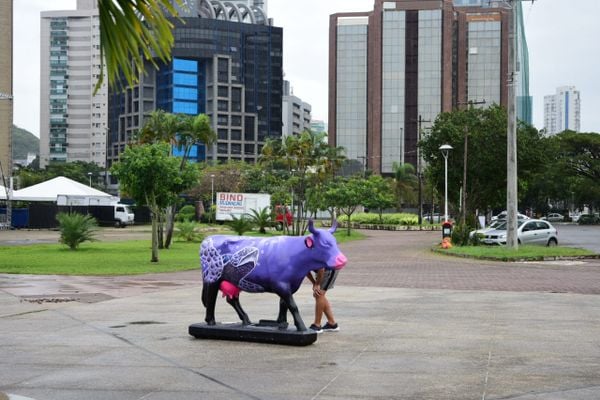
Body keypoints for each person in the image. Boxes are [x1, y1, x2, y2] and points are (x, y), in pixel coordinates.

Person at [306, 268, 340, 333]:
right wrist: (314, 283)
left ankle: (317, 325)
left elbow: (321, 268)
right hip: (321, 269)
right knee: (319, 295)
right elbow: (305, 270)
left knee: (319, 294)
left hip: (329, 268)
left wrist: (317, 284)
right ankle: (332, 323)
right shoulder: (300, 259)